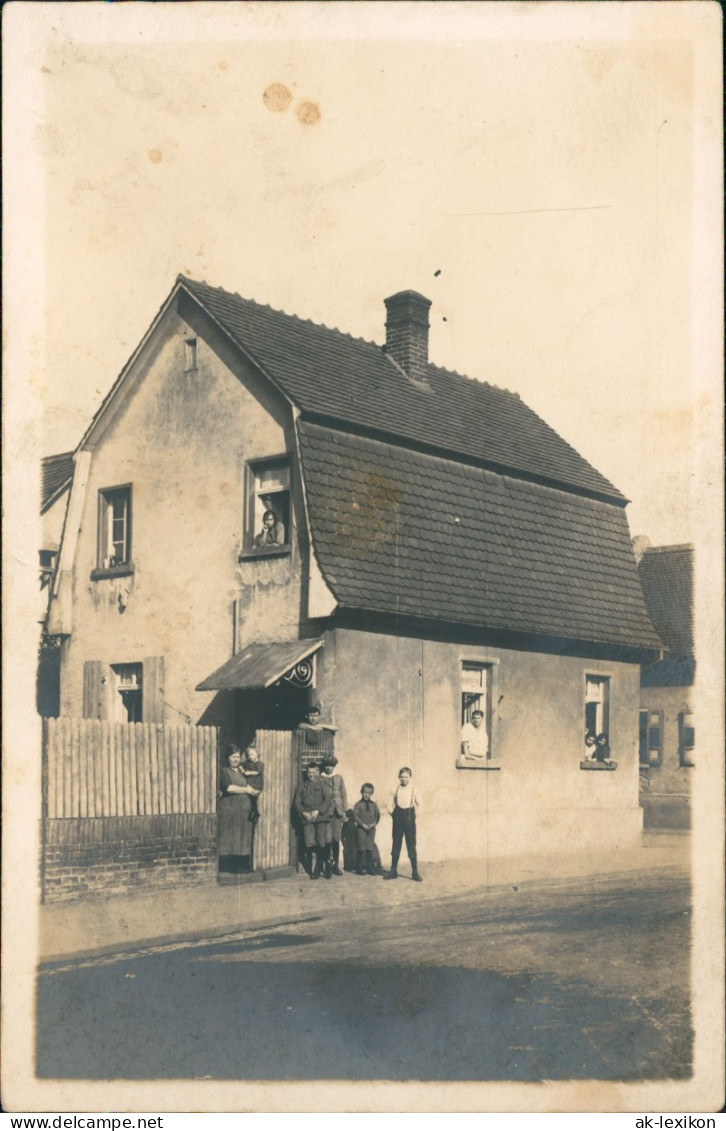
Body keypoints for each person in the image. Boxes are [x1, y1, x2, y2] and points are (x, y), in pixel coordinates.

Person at [217, 745, 262, 874]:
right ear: (228, 758)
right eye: (233, 757)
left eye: (238, 757)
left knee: (242, 838)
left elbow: (246, 785)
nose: (236, 759)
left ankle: (240, 866)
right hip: (229, 812)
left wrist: (253, 791)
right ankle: (227, 867)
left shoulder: (241, 772)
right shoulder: (224, 771)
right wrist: (246, 790)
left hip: (243, 813)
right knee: (229, 838)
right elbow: (228, 788)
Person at [293, 761, 334, 879]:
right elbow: (297, 802)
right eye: (309, 772)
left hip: (320, 818)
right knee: (309, 842)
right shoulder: (302, 785)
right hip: (307, 819)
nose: (311, 775)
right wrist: (304, 813)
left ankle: (319, 866)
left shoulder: (323, 784)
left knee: (321, 842)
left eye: (314, 772)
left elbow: (328, 799)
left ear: (318, 773)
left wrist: (318, 811)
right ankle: (325, 861)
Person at [383, 766, 423, 882]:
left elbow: (421, 805)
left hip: (409, 818)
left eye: (406, 777)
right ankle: (393, 870)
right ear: (398, 777)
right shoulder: (395, 789)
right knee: (396, 844)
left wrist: (414, 815)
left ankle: (415, 872)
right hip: (398, 818)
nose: (403, 779)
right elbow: (389, 805)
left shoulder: (414, 790)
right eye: (401, 777)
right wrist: (393, 815)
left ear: (410, 777)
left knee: (411, 845)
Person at [320, 756, 347, 876]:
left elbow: (343, 794)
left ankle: (336, 864)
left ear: (334, 766)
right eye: (326, 765)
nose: (328, 768)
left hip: (337, 812)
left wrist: (344, 811)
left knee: (336, 839)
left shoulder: (339, 778)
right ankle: (327, 865)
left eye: (330, 765)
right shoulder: (321, 778)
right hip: (326, 813)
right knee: (327, 839)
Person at [352, 783, 380, 875]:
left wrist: (373, 824)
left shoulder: (374, 805)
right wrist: (362, 825)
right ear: (361, 792)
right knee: (361, 848)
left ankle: (369, 868)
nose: (366, 794)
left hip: (371, 829)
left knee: (369, 848)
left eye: (369, 793)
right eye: (365, 792)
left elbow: (377, 816)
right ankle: (359, 868)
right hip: (361, 829)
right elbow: (355, 816)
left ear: (372, 793)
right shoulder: (358, 804)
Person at [240, 743, 264, 823]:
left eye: (252, 754)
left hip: (256, 784)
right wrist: (242, 770)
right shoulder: (247, 762)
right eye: (249, 755)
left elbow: (258, 772)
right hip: (249, 783)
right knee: (250, 799)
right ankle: (255, 812)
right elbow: (241, 765)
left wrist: (249, 773)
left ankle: (255, 812)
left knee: (253, 798)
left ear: (257, 754)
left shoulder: (259, 764)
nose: (250, 756)